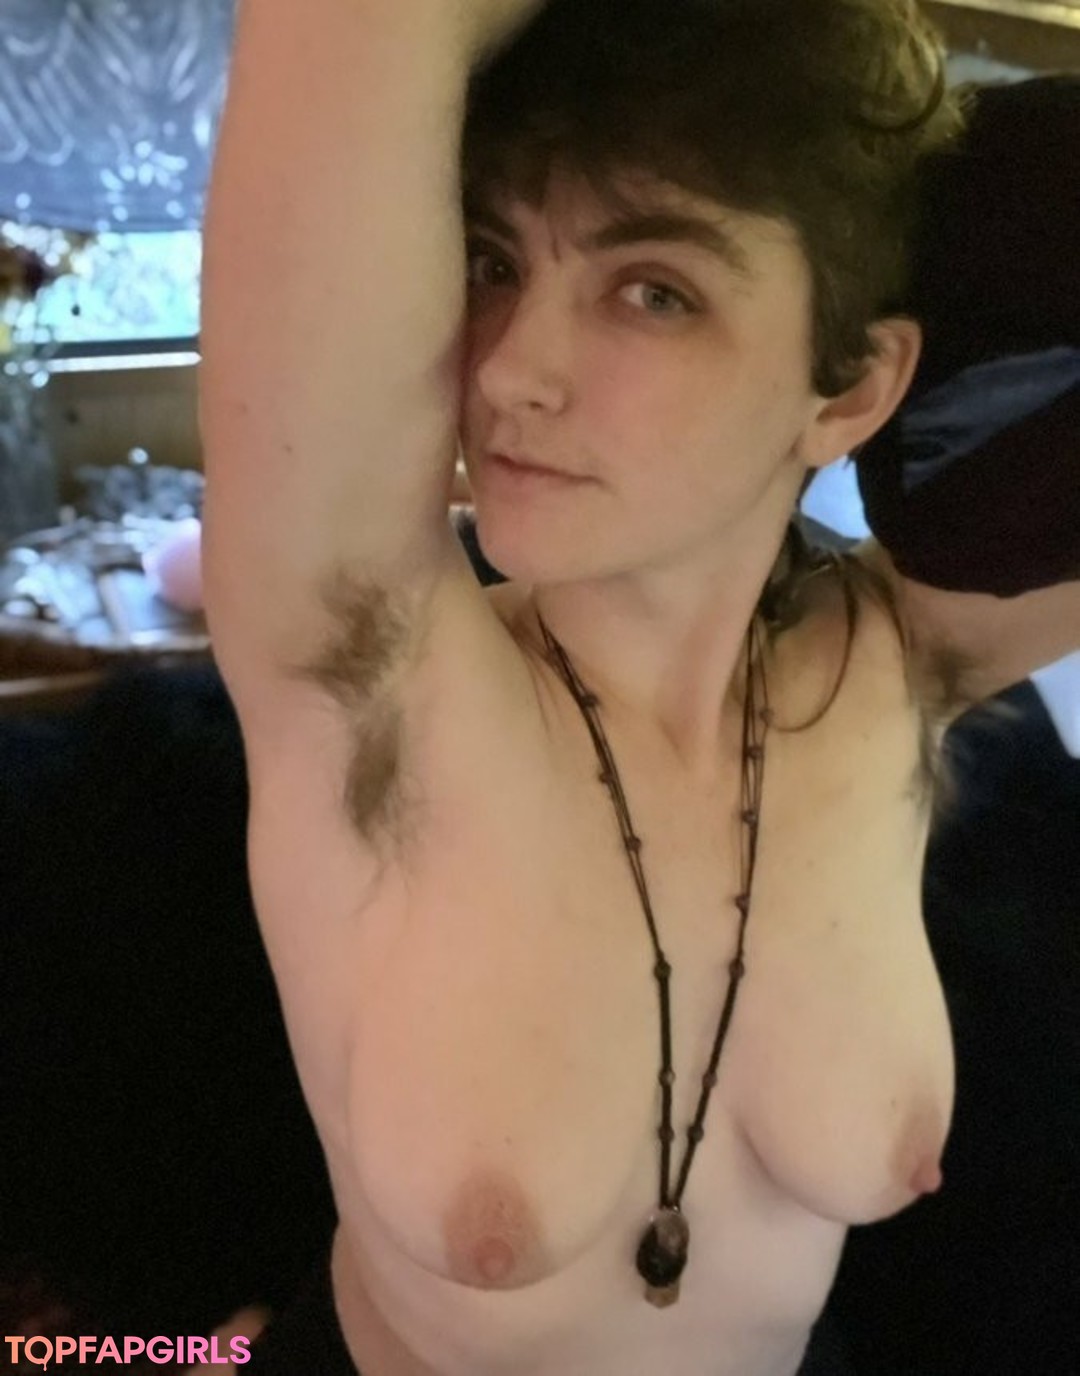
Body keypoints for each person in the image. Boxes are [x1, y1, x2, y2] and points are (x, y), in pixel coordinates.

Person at [197, 3, 1080, 1374]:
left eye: (655, 290)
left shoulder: (897, 676)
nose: (511, 372)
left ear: (851, 391)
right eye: (492, 261)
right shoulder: (367, 670)